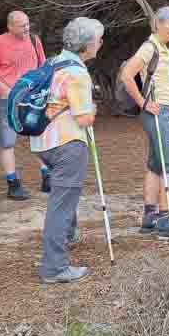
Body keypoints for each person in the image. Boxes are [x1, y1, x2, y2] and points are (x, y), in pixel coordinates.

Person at [32, 17, 102, 284]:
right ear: (87, 44)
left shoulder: (52, 62)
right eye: (98, 39)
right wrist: (94, 109)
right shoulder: (77, 72)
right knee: (61, 205)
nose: (100, 43)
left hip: (42, 142)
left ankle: (68, 237)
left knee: (63, 198)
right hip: (67, 143)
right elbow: (84, 118)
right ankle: (54, 267)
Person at [120, 6, 169, 238]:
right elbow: (127, 75)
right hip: (158, 114)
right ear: (158, 24)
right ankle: (165, 220)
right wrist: (143, 103)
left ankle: (149, 217)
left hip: (163, 112)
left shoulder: (161, 49)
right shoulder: (149, 47)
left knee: (155, 166)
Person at [0, 10, 48, 200]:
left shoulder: (34, 40)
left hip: (31, 98)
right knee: (7, 142)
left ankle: (47, 177)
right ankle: (13, 184)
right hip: (5, 99)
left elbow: (43, 67)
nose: (27, 28)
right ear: (10, 26)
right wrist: (4, 88)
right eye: (22, 25)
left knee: (38, 135)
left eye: (28, 24)